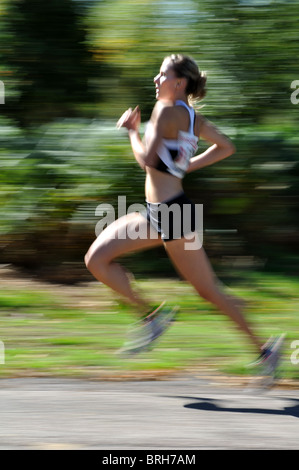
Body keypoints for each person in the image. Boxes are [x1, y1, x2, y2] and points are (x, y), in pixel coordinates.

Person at [85, 54, 283, 369]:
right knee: (96, 258)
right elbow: (226, 146)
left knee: (209, 291)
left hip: (173, 216)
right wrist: (186, 166)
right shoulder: (192, 117)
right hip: (161, 212)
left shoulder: (164, 111)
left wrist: (131, 131)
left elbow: (147, 162)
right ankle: (152, 318)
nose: (155, 79)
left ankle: (266, 352)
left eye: (161, 74)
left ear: (178, 82)